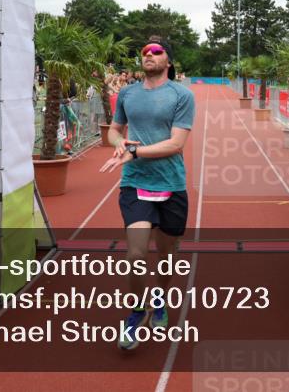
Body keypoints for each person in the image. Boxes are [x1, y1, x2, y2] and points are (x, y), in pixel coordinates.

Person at [98, 37, 194, 350]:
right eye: (145, 52)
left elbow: (176, 144)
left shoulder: (182, 95)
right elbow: (114, 129)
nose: (149, 55)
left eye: (156, 51)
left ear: (168, 60)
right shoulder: (127, 93)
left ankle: (160, 297)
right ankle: (137, 310)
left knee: (167, 258)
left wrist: (136, 152)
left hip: (171, 184)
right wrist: (118, 143)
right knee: (136, 255)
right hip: (135, 183)